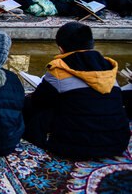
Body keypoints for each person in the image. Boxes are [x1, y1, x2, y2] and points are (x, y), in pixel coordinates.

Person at [23, 22, 129, 158]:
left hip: (72, 146)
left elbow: (38, 101)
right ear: (91, 44)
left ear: (61, 49)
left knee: (35, 109)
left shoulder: (59, 69)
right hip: (117, 143)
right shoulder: (108, 68)